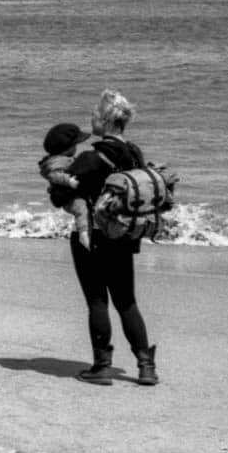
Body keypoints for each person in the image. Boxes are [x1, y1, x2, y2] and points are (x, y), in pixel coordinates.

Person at [64, 89, 170, 386]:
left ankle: (101, 367)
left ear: (105, 119)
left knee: (97, 302)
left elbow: (60, 193)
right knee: (127, 302)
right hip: (126, 234)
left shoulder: (90, 157)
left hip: (94, 236)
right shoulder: (135, 152)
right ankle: (146, 366)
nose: (91, 119)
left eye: (94, 115)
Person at [37, 121, 93, 243]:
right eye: (75, 145)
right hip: (67, 197)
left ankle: (85, 229)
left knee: (85, 209)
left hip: (68, 194)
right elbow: (53, 175)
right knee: (81, 208)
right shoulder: (58, 161)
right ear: (66, 148)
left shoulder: (63, 159)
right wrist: (69, 181)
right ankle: (84, 233)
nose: (76, 148)